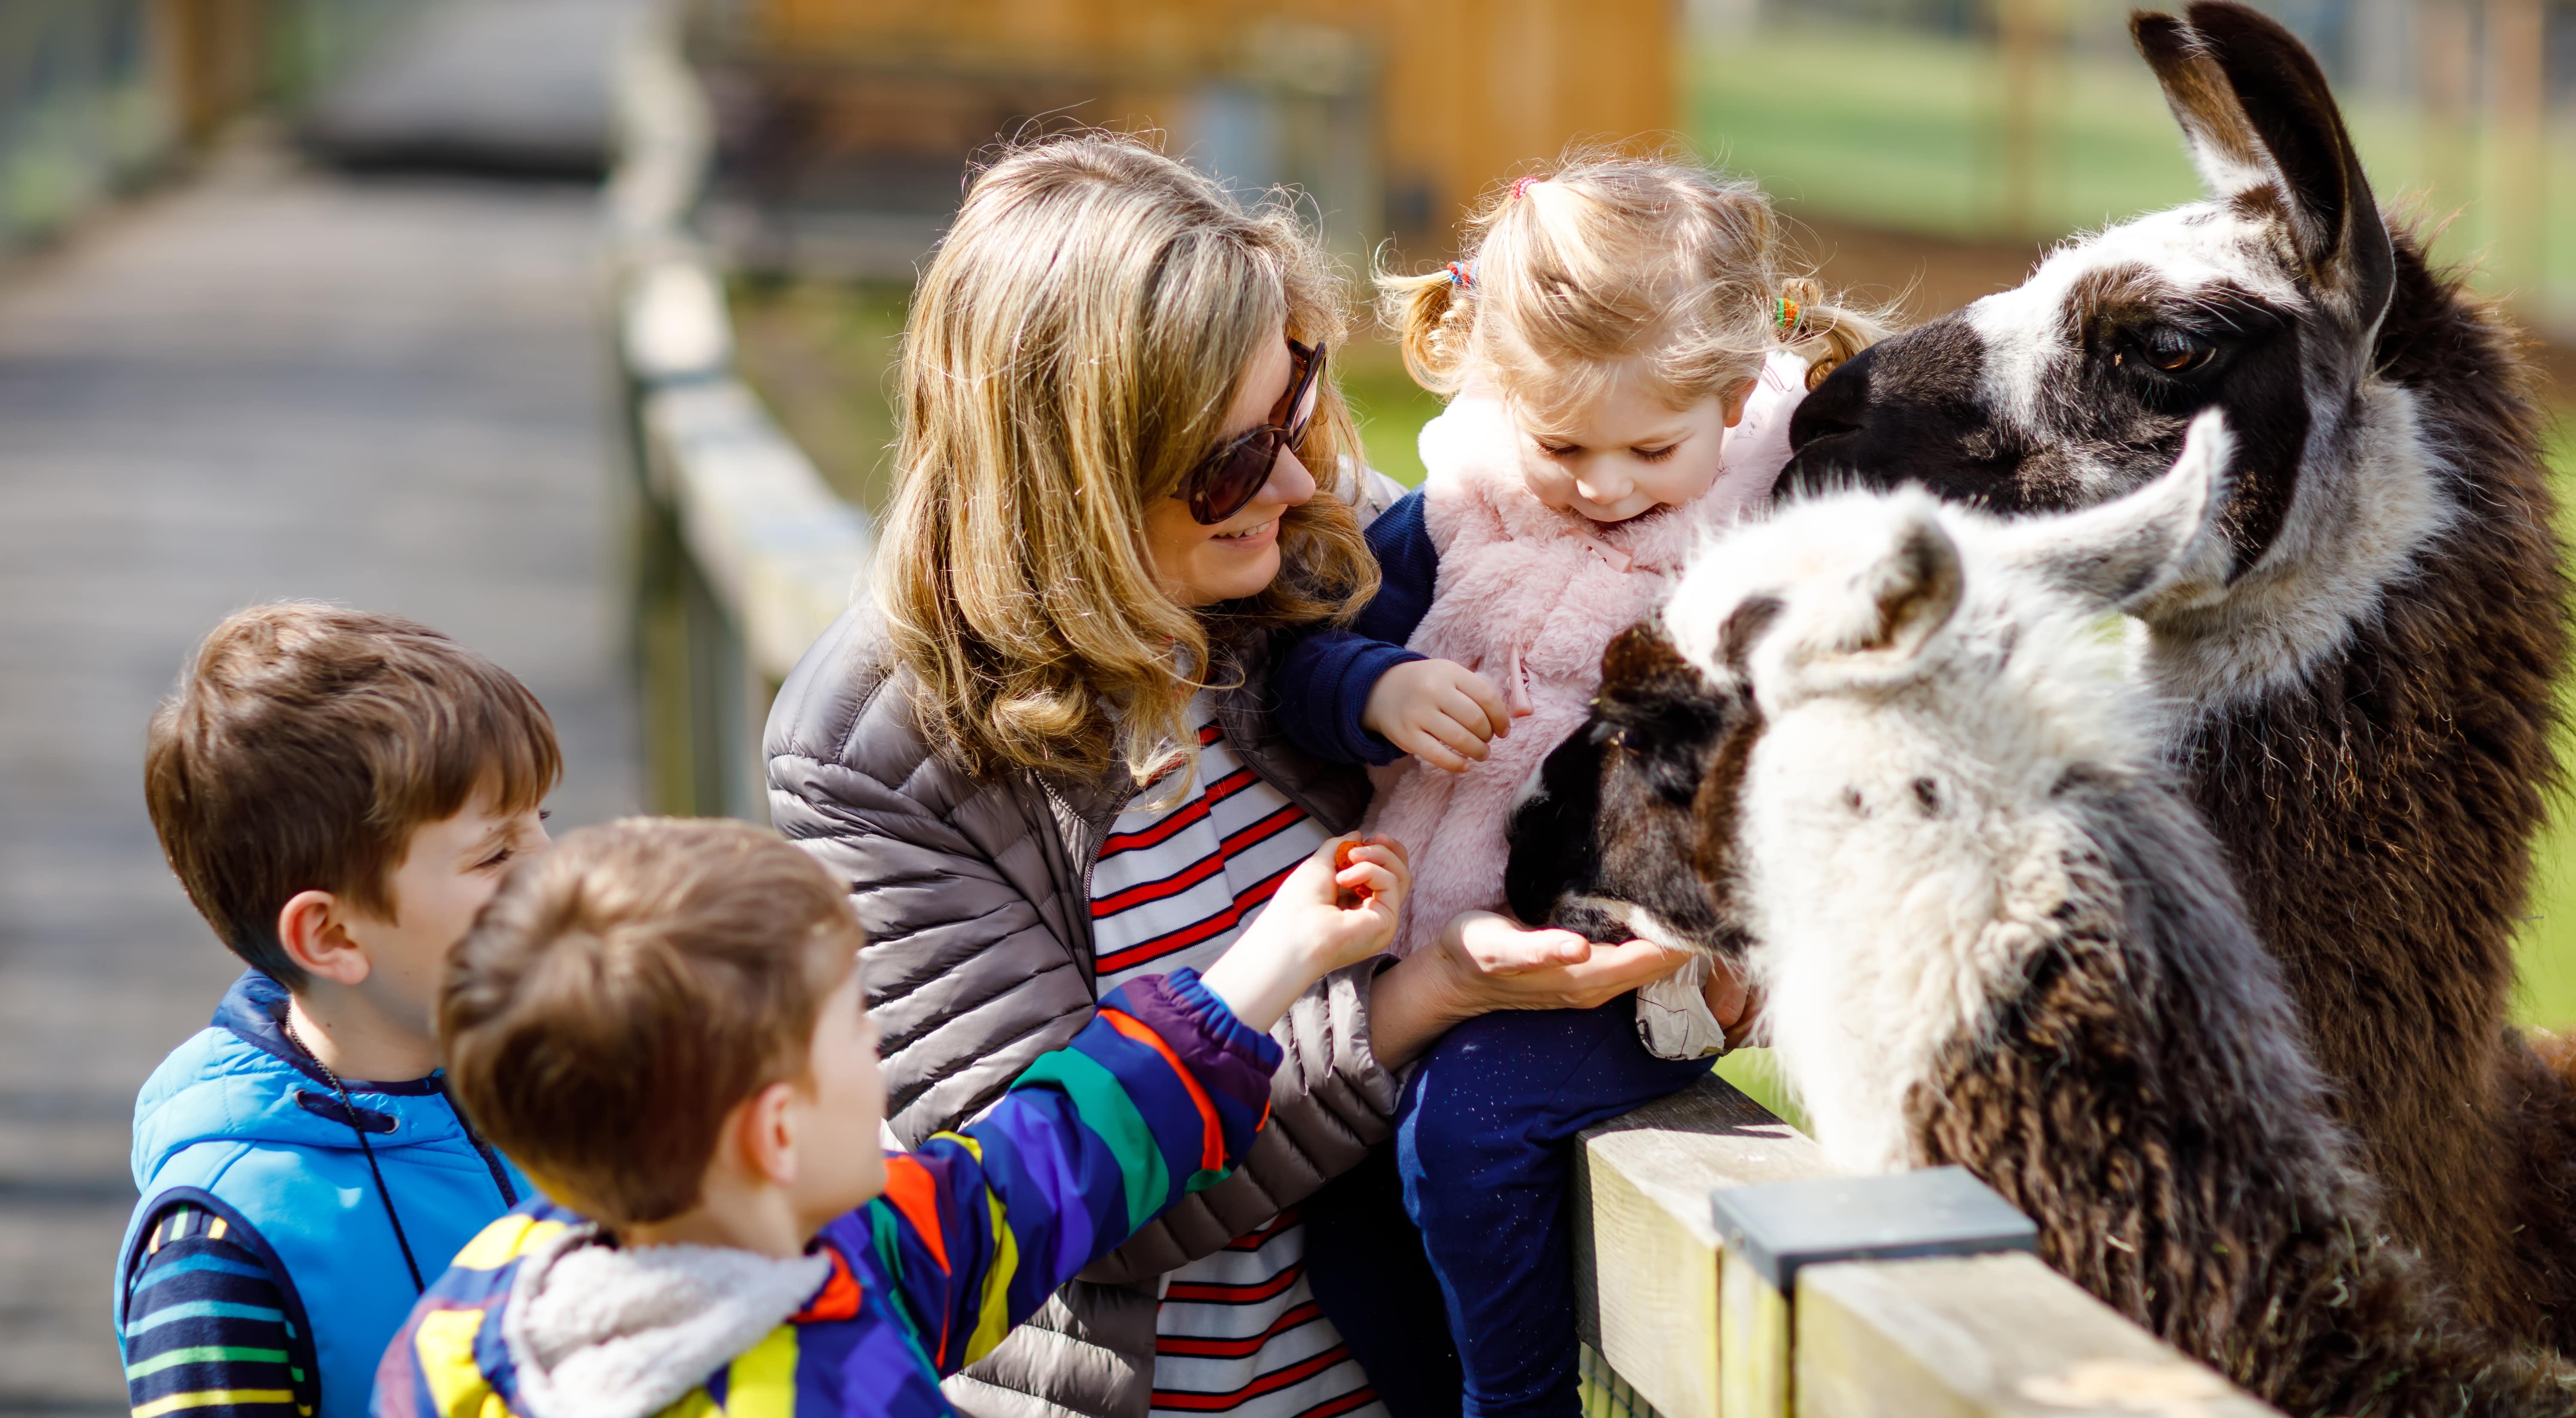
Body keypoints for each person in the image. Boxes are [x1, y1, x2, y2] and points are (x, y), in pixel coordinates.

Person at [763, 133, 1697, 1418]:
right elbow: (1041, 1204)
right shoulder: (880, 751)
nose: (1305, 477)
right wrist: (1412, 1002)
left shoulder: (1326, 561)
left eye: (1297, 405)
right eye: (1233, 460)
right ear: (1075, 469)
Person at [1271, 153, 1886, 1417]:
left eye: (1651, 448)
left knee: (1470, 1129)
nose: (1603, 488)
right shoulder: (1460, 516)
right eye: (1563, 444)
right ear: (1505, 393)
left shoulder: (1766, 542)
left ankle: (1522, 1401)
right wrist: (1375, 688)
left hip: (1636, 977)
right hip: (1433, 943)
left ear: (1730, 400)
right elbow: (1301, 661)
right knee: (1338, 1206)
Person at [372, 816, 1408, 1418]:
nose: (875, 1050)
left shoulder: (478, 1309)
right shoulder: (831, 1375)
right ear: (776, 1132)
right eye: (848, 1026)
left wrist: (1273, 963)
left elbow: (1023, 1178)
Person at [117, 603, 556, 1418]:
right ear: (331, 934)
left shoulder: (569, 1100)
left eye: (544, 825)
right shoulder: (221, 1254)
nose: (556, 869)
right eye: (497, 852)